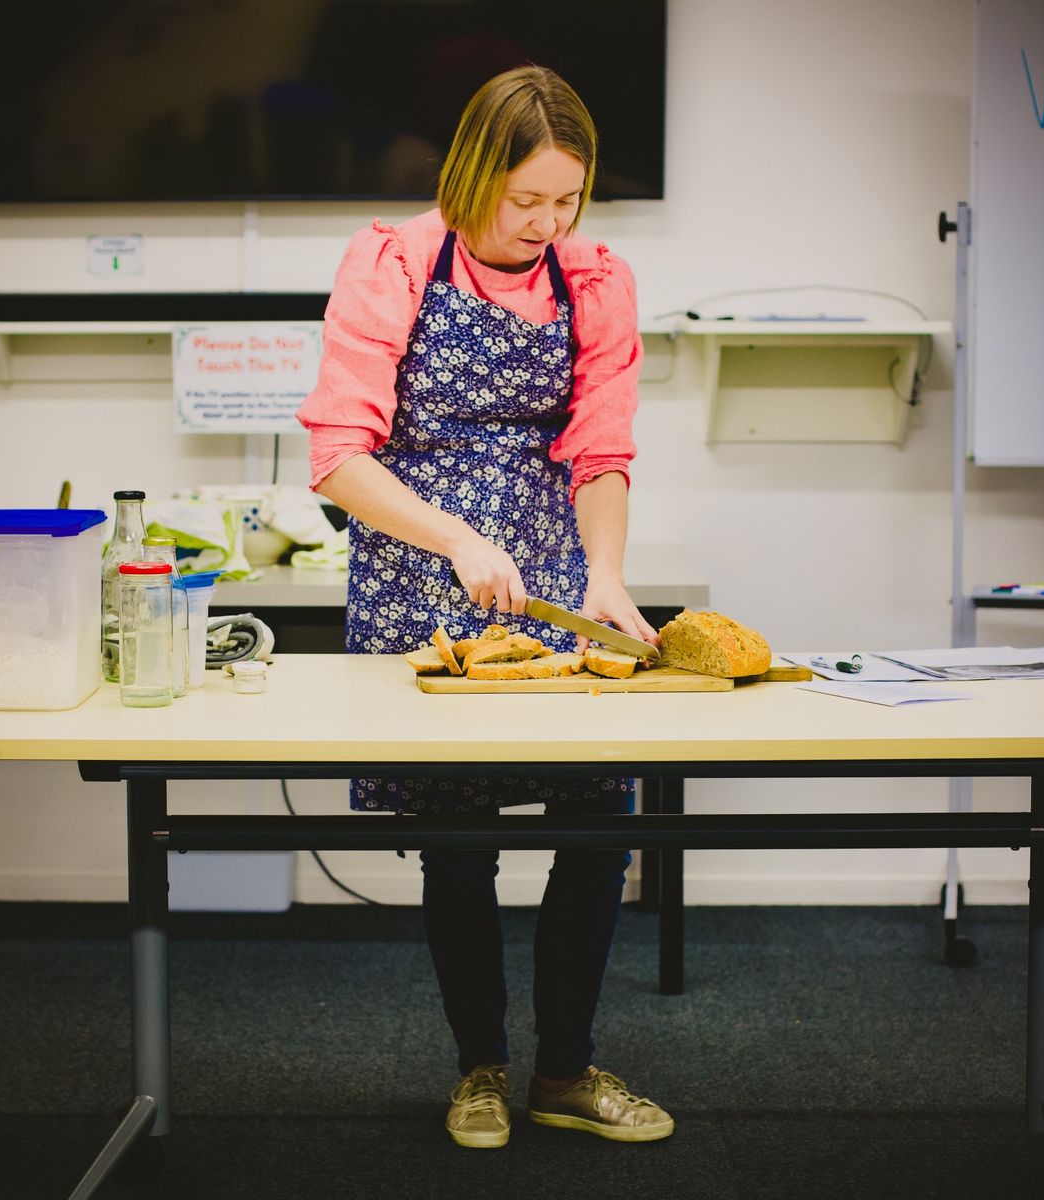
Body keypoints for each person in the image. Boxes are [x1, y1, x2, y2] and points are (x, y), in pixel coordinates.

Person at [298, 65, 672, 1149]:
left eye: (567, 201)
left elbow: (600, 449)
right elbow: (337, 458)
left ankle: (563, 1068)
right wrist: (457, 536)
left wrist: (603, 574)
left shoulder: (596, 280)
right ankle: (480, 1069)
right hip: (426, 574)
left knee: (602, 823)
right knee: (458, 840)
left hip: (553, 577)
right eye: (526, 203)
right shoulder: (394, 262)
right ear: (473, 176)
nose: (547, 225)